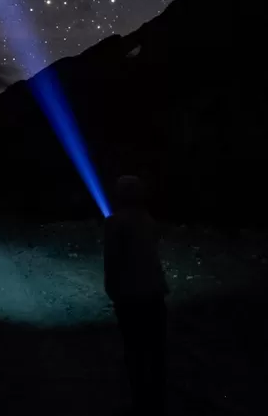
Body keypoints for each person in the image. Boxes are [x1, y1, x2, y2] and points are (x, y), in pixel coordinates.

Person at [104, 175, 169, 416]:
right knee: (156, 350)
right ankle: (158, 402)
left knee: (135, 350)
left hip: (130, 295)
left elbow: (112, 261)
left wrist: (112, 289)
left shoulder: (114, 223)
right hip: (155, 292)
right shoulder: (148, 221)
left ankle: (141, 404)